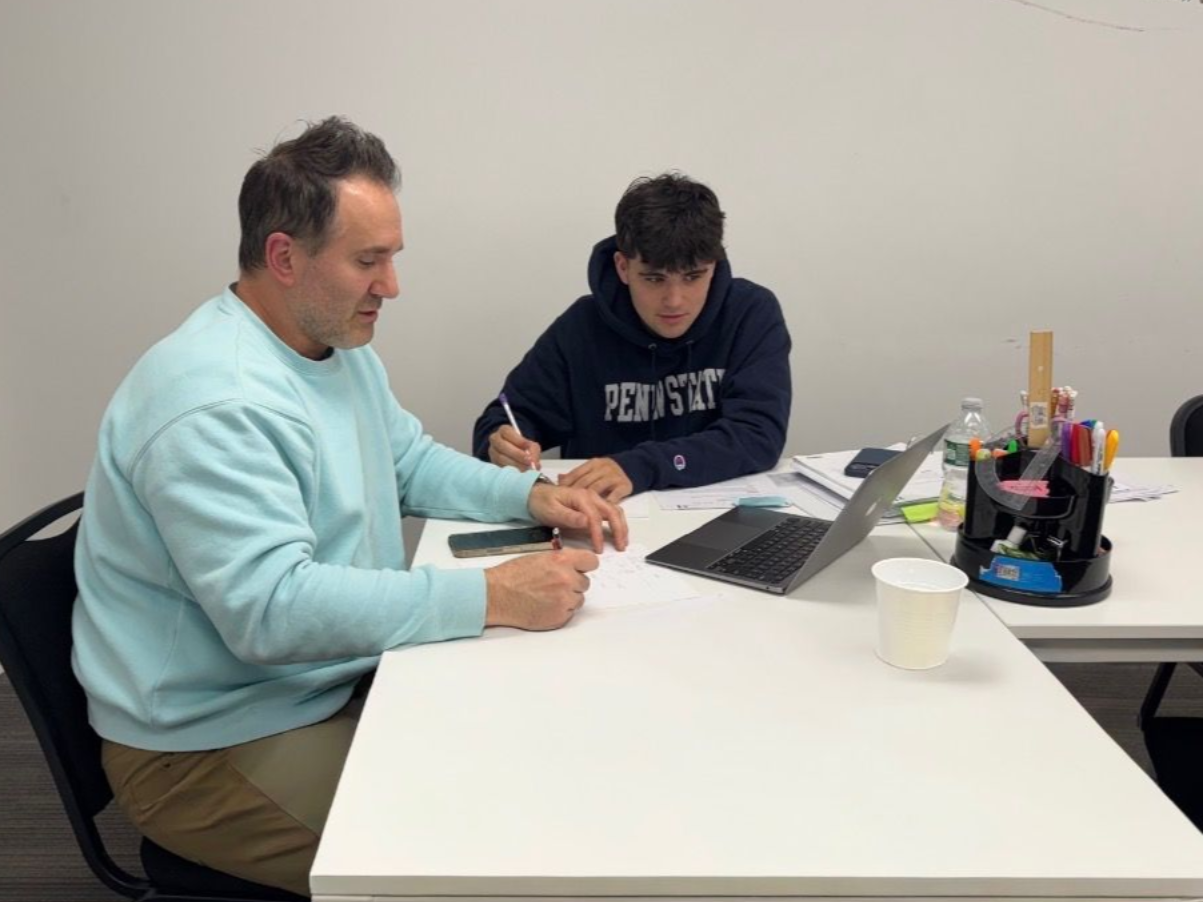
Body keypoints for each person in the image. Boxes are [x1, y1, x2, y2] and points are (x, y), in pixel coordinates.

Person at [71, 117, 627, 898]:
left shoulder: (331, 347)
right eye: (369, 260)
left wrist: (530, 494)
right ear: (283, 257)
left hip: (322, 684)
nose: (390, 286)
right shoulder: (213, 400)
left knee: (532, 764)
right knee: (470, 867)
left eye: (392, 257)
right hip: (207, 745)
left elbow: (403, 459)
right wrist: (492, 594)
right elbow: (271, 611)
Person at [472, 172, 792, 502]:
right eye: (654, 279)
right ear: (623, 267)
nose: (674, 300)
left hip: (721, 515)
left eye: (693, 277)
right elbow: (504, 419)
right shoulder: (581, 328)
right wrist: (501, 443)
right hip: (605, 522)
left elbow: (758, 435)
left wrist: (640, 466)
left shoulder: (750, 314)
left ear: (715, 263)